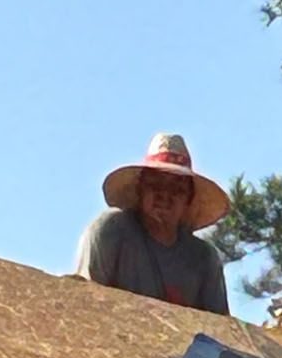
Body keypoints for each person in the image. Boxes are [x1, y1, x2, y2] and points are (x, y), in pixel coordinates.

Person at [74, 133, 230, 314]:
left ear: (189, 200)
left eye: (176, 189)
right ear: (140, 190)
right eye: (155, 184)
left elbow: (219, 329)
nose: (164, 195)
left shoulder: (204, 259)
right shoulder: (111, 231)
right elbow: (85, 304)